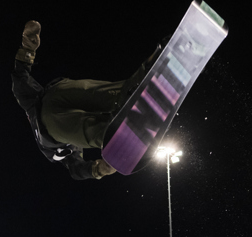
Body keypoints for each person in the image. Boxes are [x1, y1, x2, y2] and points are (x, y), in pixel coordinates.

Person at [12, 21, 165, 180]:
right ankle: (148, 72)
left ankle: (118, 134)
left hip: (50, 113)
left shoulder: (37, 116)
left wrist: (28, 49)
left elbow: (20, 81)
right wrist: (98, 169)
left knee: (94, 130)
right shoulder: (71, 150)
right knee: (115, 96)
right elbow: (75, 169)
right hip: (58, 92)